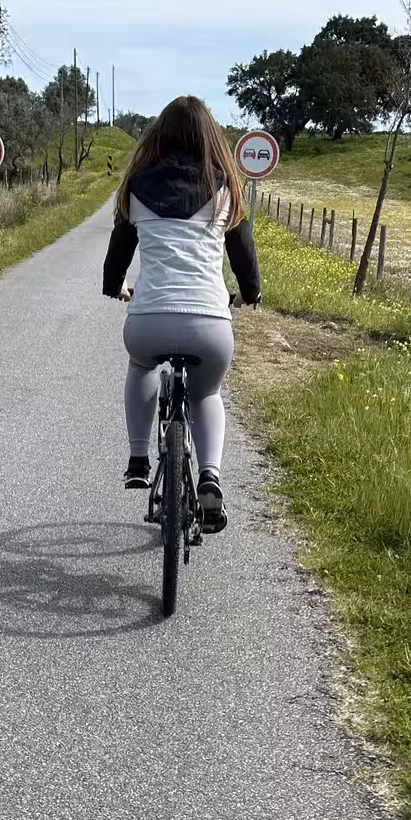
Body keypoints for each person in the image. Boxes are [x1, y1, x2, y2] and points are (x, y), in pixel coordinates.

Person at [101, 95, 260, 533]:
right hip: (209, 321)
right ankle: (209, 476)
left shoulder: (136, 186)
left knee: (140, 367)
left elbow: (118, 255)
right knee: (206, 394)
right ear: (210, 137)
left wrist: (116, 286)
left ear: (159, 136)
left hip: (150, 318)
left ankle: (138, 458)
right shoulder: (226, 186)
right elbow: (244, 256)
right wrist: (250, 294)